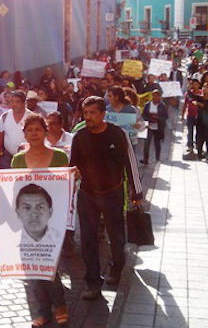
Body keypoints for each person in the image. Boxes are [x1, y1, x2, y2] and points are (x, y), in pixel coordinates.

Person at [70, 96, 143, 299]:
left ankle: (116, 267)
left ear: (103, 114)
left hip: (113, 193)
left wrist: (137, 192)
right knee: (88, 239)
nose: (89, 117)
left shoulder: (117, 134)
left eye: (93, 113)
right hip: (87, 195)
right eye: (86, 113)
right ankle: (93, 282)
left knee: (117, 237)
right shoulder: (79, 137)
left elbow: (131, 163)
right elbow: (71, 166)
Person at [10, 115, 69, 327]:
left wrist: (75, 176)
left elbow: (66, 186)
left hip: (52, 220)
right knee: (33, 267)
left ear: (46, 132)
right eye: (30, 130)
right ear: (24, 134)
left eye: (38, 130)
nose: (34, 134)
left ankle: (60, 305)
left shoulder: (60, 157)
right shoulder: (17, 160)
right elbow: (13, 189)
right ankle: (43, 311)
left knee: (50, 265)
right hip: (27, 222)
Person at [0, 91, 32, 169]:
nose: (14, 104)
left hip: (27, 157)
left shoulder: (31, 117)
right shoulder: (5, 116)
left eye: (17, 102)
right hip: (8, 157)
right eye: (12, 101)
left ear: (24, 103)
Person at [189, 83, 208, 159]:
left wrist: (201, 105)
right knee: (199, 138)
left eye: (207, 87)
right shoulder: (199, 98)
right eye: (204, 87)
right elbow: (191, 95)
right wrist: (189, 88)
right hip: (199, 120)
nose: (205, 88)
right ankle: (199, 154)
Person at [140, 89, 169, 165]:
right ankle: (145, 159)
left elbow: (166, 116)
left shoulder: (162, 106)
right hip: (149, 126)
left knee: (157, 143)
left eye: (157, 96)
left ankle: (157, 158)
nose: (155, 97)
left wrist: (158, 119)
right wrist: (149, 119)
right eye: (154, 96)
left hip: (158, 127)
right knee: (147, 143)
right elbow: (144, 115)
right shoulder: (148, 105)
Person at [181, 78, 201, 153]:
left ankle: (198, 144)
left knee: (198, 131)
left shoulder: (201, 93)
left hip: (199, 115)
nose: (195, 86)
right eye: (193, 84)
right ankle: (190, 145)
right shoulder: (188, 94)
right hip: (190, 115)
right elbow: (185, 105)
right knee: (190, 130)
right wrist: (183, 115)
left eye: (196, 84)